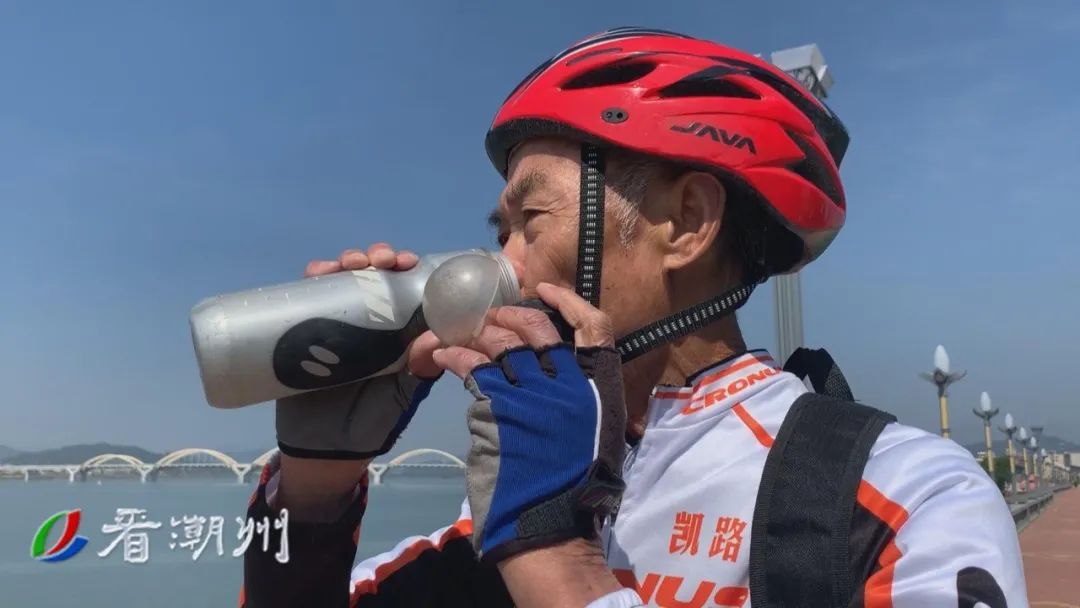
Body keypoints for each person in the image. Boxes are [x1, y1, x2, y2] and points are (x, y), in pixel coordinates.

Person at [240, 27, 1028, 607]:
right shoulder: (505, 513)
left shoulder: (899, 499)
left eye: (530, 221)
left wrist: (557, 558)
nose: (501, 268)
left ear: (686, 222)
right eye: (499, 232)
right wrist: (312, 497)